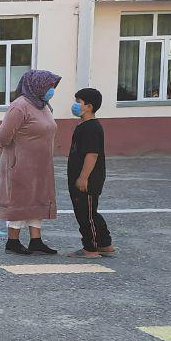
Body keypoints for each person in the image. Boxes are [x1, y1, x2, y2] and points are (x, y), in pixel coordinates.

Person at [0, 70, 61, 255]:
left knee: (38, 199)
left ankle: (36, 240)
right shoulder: (20, 106)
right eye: (49, 86)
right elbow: (2, 137)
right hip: (20, 164)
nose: (51, 90)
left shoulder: (43, 106)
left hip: (41, 165)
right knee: (19, 200)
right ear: (37, 86)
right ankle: (13, 241)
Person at [67, 87, 116, 259]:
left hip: (88, 179)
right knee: (90, 212)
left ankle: (90, 248)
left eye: (78, 102)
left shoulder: (91, 128)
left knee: (85, 215)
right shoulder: (84, 126)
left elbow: (92, 154)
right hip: (81, 177)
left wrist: (83, 177)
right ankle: (105, 244)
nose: (75, 105)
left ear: (89, 106)